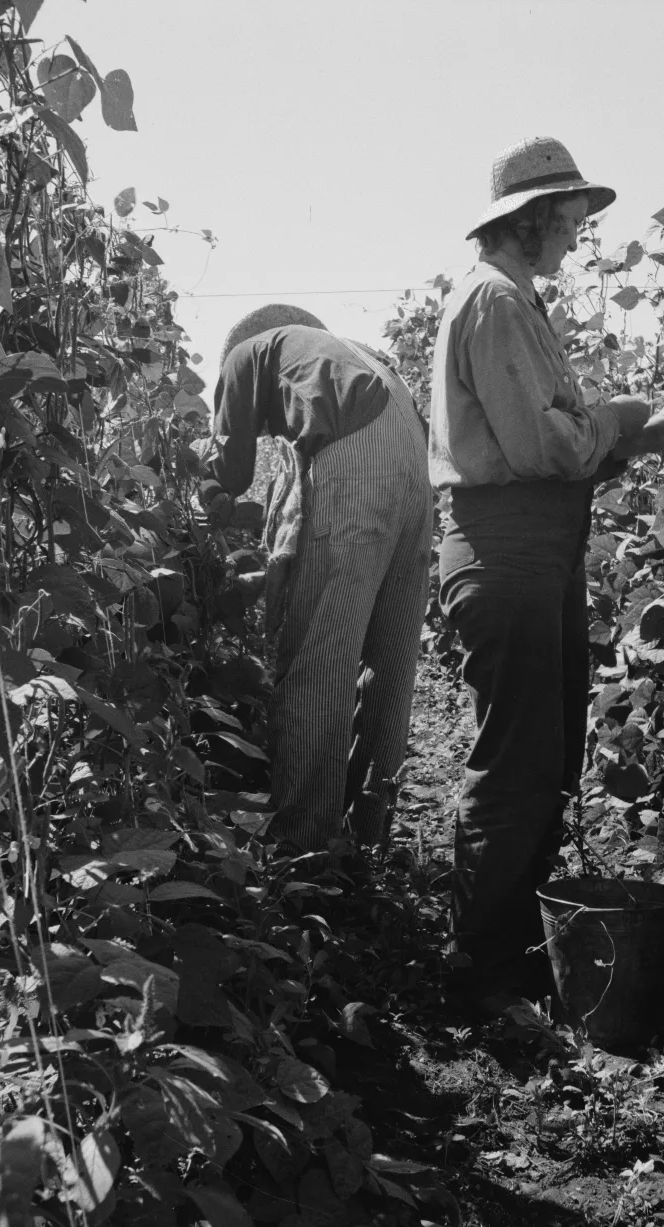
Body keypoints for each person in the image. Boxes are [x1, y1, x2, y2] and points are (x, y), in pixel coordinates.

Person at [429, 137, 664, 1011]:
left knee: (540, 754)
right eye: (573, 219)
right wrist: (618, 421)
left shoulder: (512, 301)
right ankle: (478, 966)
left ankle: (503, 950)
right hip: (506, 552)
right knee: (515, 760)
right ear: (532, 216)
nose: (580, 236)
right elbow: (542, 448)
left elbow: (553, 455)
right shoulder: (496, 302)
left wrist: (622, 438)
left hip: (530, 551)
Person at [206, 304, 432, 853]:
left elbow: (230, 471)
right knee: (391, 660)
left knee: (319, 662)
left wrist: (211, 494)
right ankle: (368, 836)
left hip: (359, 469)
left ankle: (305, 853)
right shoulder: (357, 359)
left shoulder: (246, 353)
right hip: (416, 473)